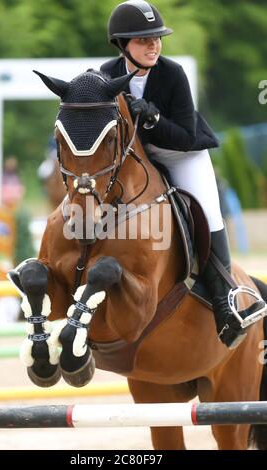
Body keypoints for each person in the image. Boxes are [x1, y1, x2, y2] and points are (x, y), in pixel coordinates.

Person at [101, 0, 266, 349]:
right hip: (138, 160)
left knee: (206, 212)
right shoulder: (107, 74)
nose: (153, 45)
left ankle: (225, 300)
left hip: (182, 156)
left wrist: (151, 117)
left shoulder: (172, 73)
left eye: (156, 38)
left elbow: (185, 136)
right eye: (143, 40)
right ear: (122, 45)